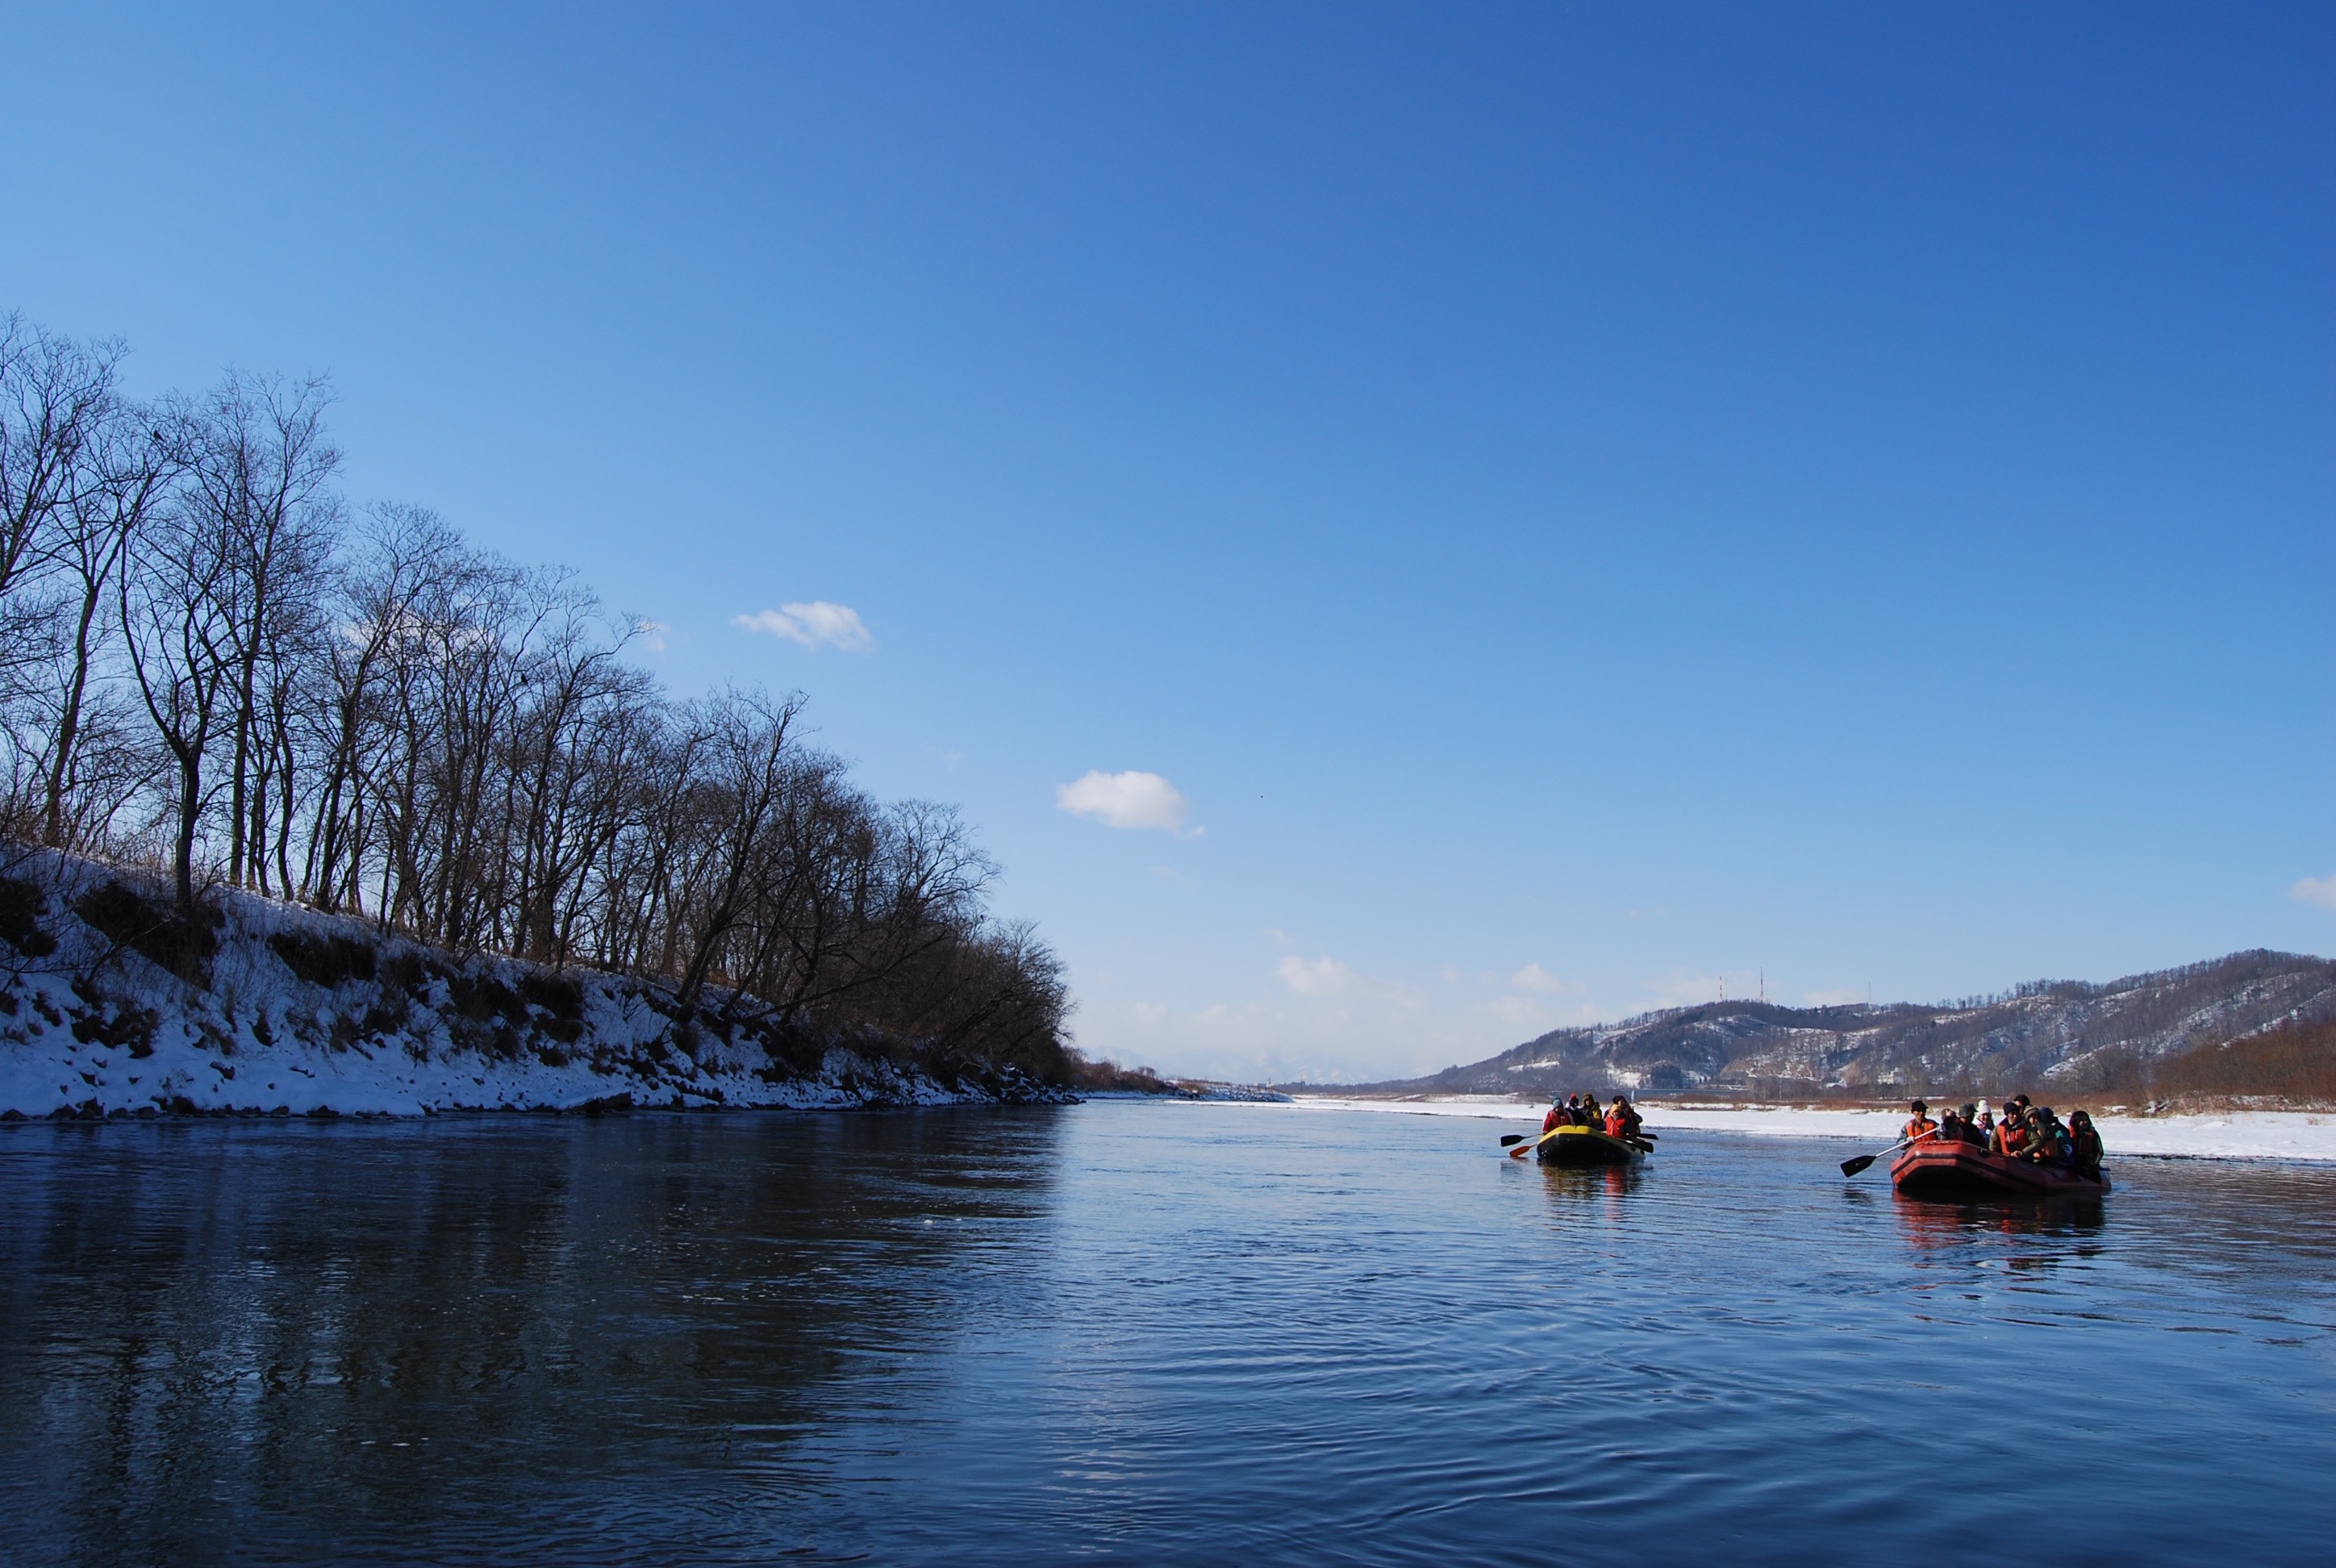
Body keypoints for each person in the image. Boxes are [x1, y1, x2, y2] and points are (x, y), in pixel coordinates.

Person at [2067, 1110, 2104, 1180]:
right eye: (2083, 1121)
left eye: (2086, 1120)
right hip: (2072, 1161)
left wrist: (2094, 1164)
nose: (2086, 1122)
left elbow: (2100, 1152)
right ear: (2076, 1121)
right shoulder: (2068, 1132)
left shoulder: (2093, 1133)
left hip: (2088, 1162)